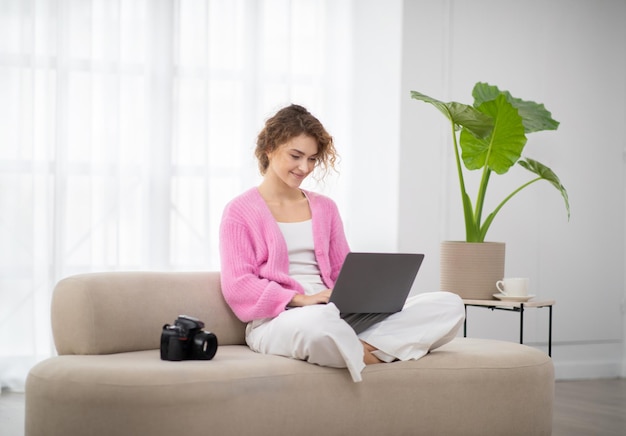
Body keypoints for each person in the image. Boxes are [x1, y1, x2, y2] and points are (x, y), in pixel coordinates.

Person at [219, 104, 465, 382]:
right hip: (283, 319)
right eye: (296, 156)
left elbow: (342, 272)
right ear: (269, 148)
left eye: (312, 159)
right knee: (320, 326)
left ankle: (353, 350)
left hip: (336, 313)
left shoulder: (326, 208)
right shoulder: (239, 211)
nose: (305, 167)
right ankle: (377, 350)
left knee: (449, 304)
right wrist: (301, 299)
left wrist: (367, 298)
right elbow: (237, 285)